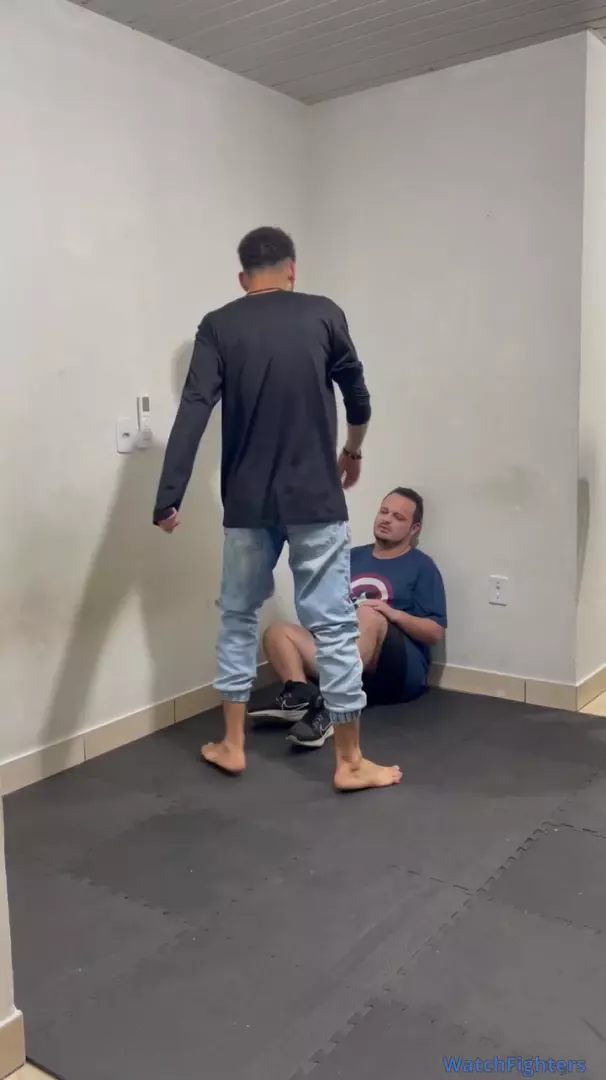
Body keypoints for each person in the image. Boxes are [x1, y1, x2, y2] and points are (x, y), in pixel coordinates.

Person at [153, 226, 401, 791]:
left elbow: (194, 407)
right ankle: (349, 762)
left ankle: (232, 745)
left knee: (238, 617)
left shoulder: (218, 325)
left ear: (243, 278)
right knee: (334, 627)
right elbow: (358, 397)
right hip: (315, 497)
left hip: (247, 503)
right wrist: (352, 451)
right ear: (292, 269)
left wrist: (169, 496)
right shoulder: (323, 313)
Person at [251, 488, 446, 748]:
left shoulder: (422, 567)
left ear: (414, 529)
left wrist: (392, 613)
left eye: (398, 517)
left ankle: (332, 708)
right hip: (344, 654)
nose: (386, 519)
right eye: (384, 512)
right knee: (277, 632)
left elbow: (434, 631)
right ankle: (300, 696)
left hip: (396, 673)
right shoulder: (352, 557)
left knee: (368, 613)